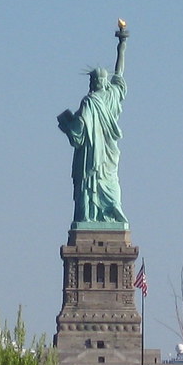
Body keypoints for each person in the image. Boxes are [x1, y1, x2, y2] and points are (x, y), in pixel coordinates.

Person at [57, 24, 129, 225]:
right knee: (107, 182)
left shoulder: (90, 102)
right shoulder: (110, 96)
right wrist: (121, 46)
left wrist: (67, 125)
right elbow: (120, 73)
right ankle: (101, 214)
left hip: (96, 154)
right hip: (99, 153)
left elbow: (78, 133)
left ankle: (94, 215)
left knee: (94, 183)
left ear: (94, 82)